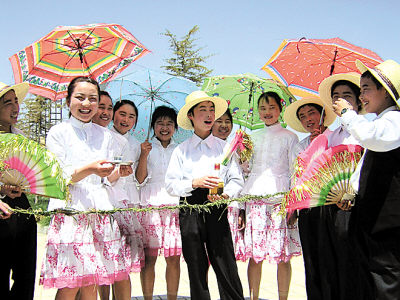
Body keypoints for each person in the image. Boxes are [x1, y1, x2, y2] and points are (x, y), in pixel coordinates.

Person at [40, 77, 131, 300]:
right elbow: (58, 177)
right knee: (70, 284)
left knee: (92, 281)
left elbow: (107, 180)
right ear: (68, 100)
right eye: (80, 97)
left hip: (99, 212)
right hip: (72, 210)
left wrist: (118, 173)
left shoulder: (106, 136)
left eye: (92, 99)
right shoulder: (58, 132)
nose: (86, 104)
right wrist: (90, 168)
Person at [165, 91, 244, 300]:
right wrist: (193, 183)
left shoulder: (225, 147)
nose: (209, 114)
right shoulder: (181, 151)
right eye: (203, 110)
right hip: (189, 208)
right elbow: (170, 185)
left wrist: (226, 194)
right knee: (196, 265)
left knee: (225, 261)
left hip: (217, 207)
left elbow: (237, 181)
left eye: (212, 110)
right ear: (191, 116)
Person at [332, 59, 400, 300]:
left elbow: (370, 137)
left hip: (387, 220)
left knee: (385, 278)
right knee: (369, 276)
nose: (361, 96)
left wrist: (346, 113)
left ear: (385, 91)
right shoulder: (381, 122)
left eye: (366, 89)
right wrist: (351, 192)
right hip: (370, 215)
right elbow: (364, 167)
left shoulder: (395, 121)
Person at [241, 91, 301, 300]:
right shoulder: (252, 136)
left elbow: (296, 170)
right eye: (263, 108)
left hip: (280, 199)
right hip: (254, 198)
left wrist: (293, 203)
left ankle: (282, 297)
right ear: (257, 111)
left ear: (280, 109)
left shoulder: (290, 137)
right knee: (255, 254)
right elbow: (246, 170)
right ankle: (253, 296)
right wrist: (242, 153)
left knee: (283, 254)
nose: (267, 112)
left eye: (272, 108)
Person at [317, 72, 368, 300]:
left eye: (346, 95)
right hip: (329, 205)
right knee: (330, 262)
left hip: (354, 206)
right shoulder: (330, 134)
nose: (340, 99)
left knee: (351, 263)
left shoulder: (365, 130)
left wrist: (351, 191)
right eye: (336, 96)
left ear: (358, 100)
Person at [283, 96, 335, 300]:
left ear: (322, 114)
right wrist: (292, 207)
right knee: (312, 259)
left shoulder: (336, 137)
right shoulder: (300, 147)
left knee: (331, 257)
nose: (308, 119)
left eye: (311, 113)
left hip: (333, 206)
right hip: (308, 208)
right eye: (302, 116)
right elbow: (295, 177)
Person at [136, 106, 181, 300]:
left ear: (175, 127)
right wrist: (144, 155)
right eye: (160, 123)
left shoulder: (180, 150)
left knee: (174, 258)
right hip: (150, 205)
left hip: (174, 207)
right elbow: (139, 179)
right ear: (153, 126)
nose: (164, 127)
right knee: (149, 258)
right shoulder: (145, 147)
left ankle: (172, 297)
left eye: (169, 123)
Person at [0, 82, 37, 300]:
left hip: (21, 207)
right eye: (7, 103)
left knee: (25, 274)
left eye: (16, 101)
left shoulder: (21, 136)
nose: (15, 107)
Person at [211, 109, 246, 260]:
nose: (224, 125)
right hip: (206, 206)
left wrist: (240, 207)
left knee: (227, 256)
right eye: (219, 121)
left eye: (227, 121)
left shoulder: (235, 149)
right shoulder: (203, 148)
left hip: (228, 206)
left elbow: (239, 180)